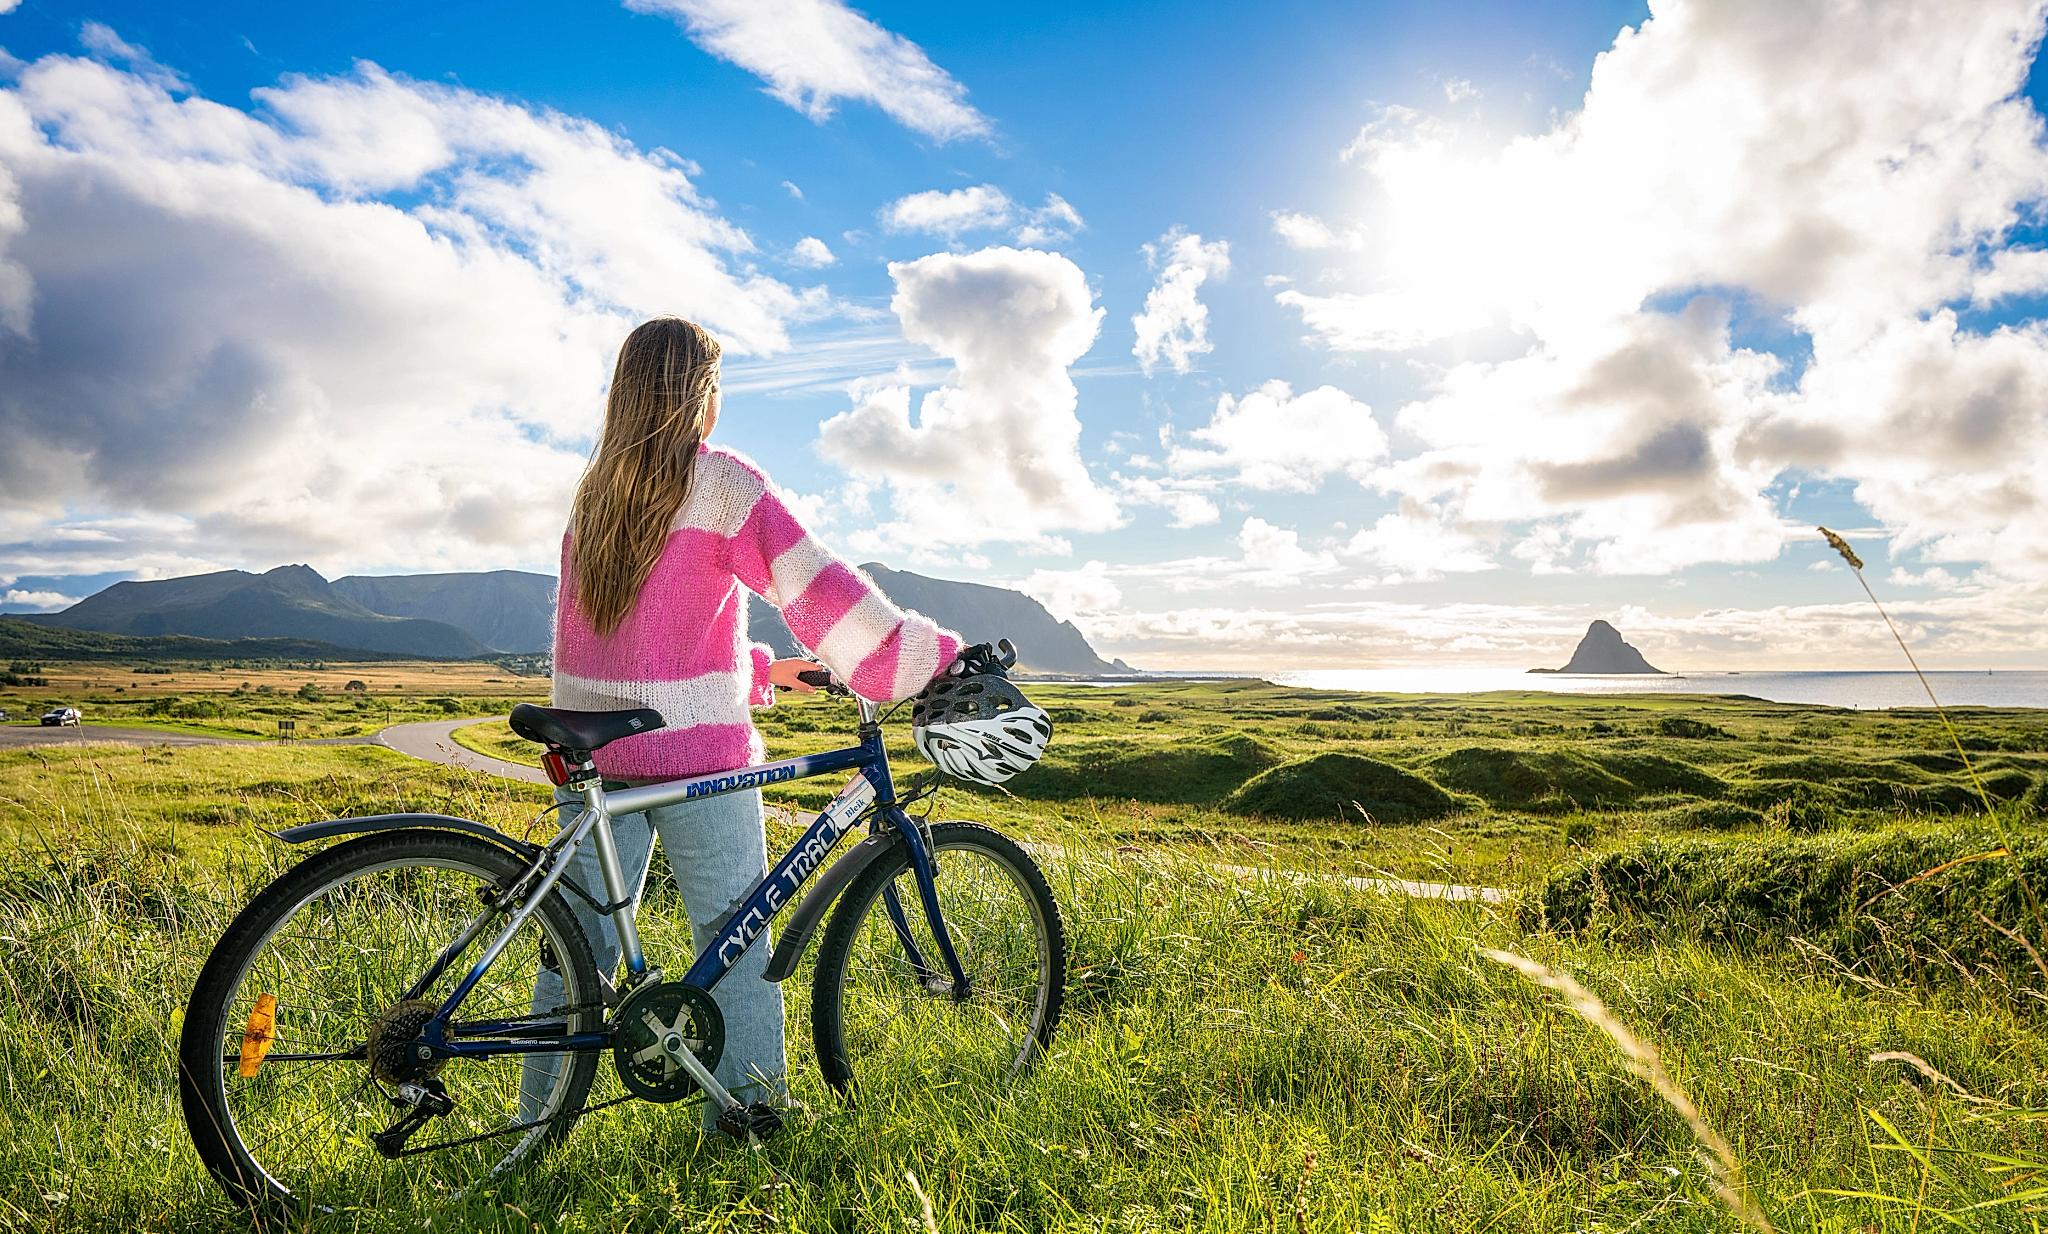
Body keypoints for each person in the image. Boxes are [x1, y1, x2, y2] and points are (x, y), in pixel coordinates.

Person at [521, 316, 963, 1129]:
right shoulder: (721, 484)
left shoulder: (595, 494)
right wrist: (918, 656)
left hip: (597, 750)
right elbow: (816, 587)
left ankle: (533, 1128)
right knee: (732, 931)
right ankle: (751, 1118)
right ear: (702, 400)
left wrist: (761, 673)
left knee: (574, 949)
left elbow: (630, 641)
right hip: (695, 759)